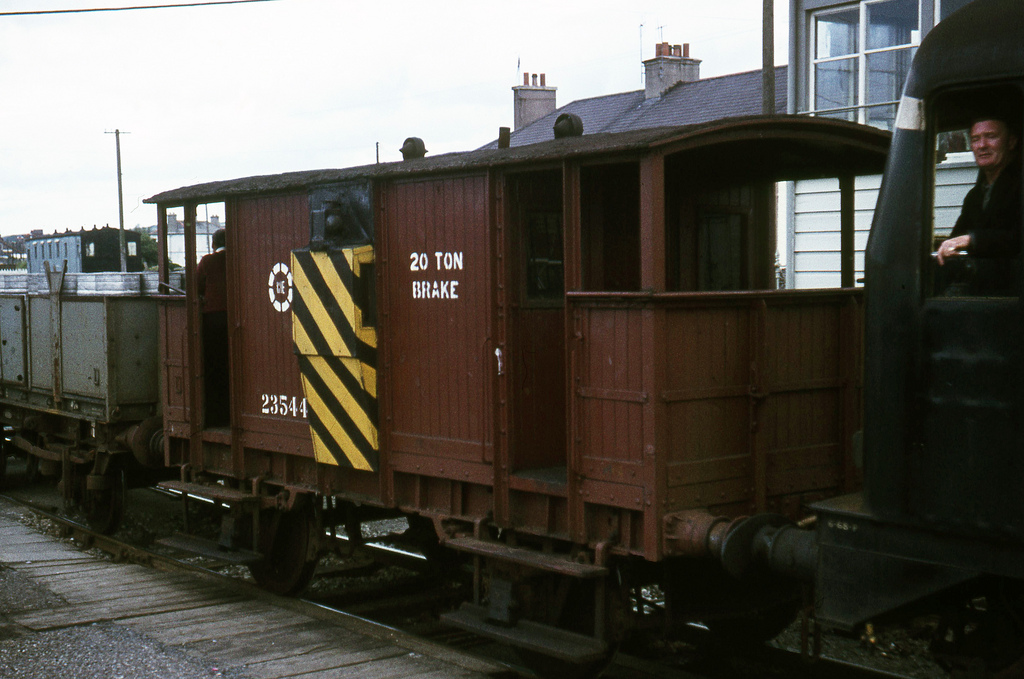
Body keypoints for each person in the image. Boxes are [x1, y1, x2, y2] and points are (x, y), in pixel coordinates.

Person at [936, 118, 1022, 290]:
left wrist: (972, 240)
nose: (982, 145)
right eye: (975, 139)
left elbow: (1016, 239)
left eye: (991, 136)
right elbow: (956, 238)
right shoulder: (974, 197)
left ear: (1011, 142)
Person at [196, 229, 230, 426]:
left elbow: (197, 287)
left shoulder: (207, 261)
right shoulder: (236, 259)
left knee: (213, 367)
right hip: (235, 318)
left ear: (213, 244)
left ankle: (215, 415)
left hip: (213, 320)